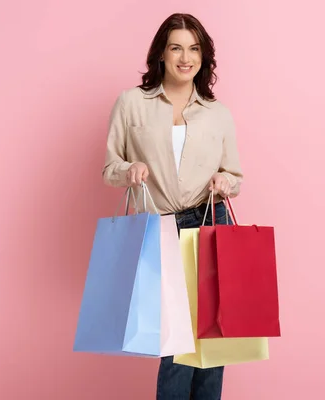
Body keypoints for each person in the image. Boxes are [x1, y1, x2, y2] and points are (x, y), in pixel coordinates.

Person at [101, 12, 243, 400]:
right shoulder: (132, 103)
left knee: (214, 341)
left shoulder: (218, 113)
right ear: (161, 53)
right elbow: (110, 168)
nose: (186, 57)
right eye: (176, 47)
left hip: (209, 221)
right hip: (160, 228)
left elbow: (236, 176)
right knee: (177, 343)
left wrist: (224, 180)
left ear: (204, 56)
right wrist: (131, 169)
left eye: (194, 48)